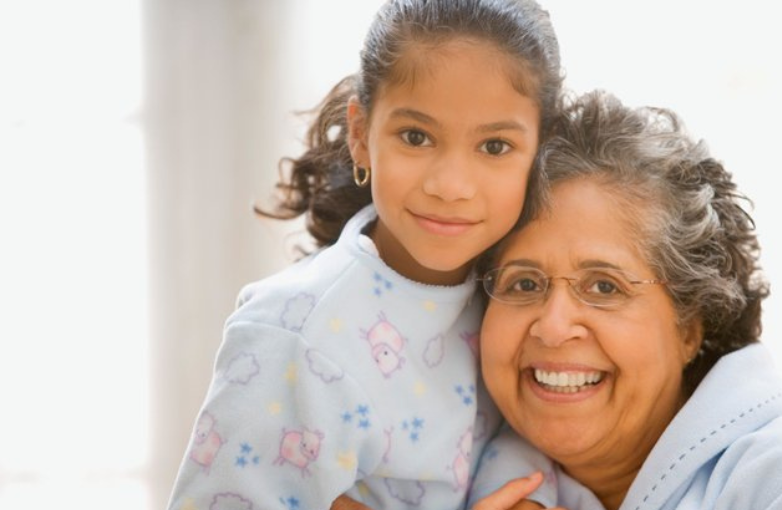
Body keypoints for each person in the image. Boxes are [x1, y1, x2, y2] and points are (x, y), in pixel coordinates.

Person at [165, 1, 566, 509]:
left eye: (494, 147)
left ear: (541, 151)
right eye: (416, 137)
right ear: (361, 135)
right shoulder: (291, 337)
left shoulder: (521, 293)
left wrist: (524, 494)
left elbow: (520, 431)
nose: (451, 186)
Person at [473, 90, 782, 510]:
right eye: (524, 284)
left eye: (604, 286)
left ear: (690, 325)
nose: (552, 325)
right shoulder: (452, 474)